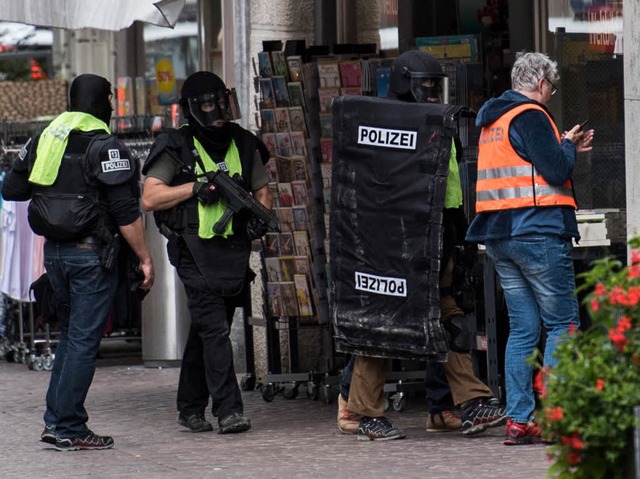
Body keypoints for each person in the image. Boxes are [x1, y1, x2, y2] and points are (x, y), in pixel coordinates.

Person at [337, 50, 506, 439]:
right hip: (396, 242)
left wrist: (459, 232)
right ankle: (363, 411)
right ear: (405, 83)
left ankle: (470, 401)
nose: (431, 92)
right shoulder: (384, 122)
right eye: (424, 84)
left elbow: (448, 185)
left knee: (449, 321)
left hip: (439, 234)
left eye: (435, 85)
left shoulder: (438, 122)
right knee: (383, 322)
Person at [1, 73, 155, 451]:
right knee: (84, 341)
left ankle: (56, 422)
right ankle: (68, 425)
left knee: (70, 338)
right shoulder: (106, 146)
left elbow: (11, 188)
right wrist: (145, 257)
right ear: (99, 102)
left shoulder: (45, 139)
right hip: (90, 255)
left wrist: (49, 184)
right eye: (109, 99)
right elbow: (124, 211)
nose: (113, 106)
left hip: (53, 254)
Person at [465, 51, 594, 445]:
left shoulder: (493, 120)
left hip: (499, 235)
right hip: (535, 231)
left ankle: (519, 419)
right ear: (540, 83)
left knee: (522, 328)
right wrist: (567, 147)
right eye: (551, 88)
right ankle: (556, 416)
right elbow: (555, 169)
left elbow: (527, 164)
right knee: (563, 324)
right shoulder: (532, 115)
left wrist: (563, 145)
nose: (550, 96)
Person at [141, 71, 273, 435]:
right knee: (215, 330)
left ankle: (189, 406)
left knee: (207, 330)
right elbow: (150, 197)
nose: (217, 111)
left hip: (231, 251)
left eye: (221, 102)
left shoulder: (244, 143)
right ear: (192, 109)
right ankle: (229, 410)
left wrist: (258, 219)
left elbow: (262, 189)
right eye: (208, 105)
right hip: (192, 250)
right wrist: (194, 188)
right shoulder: (177, 146)